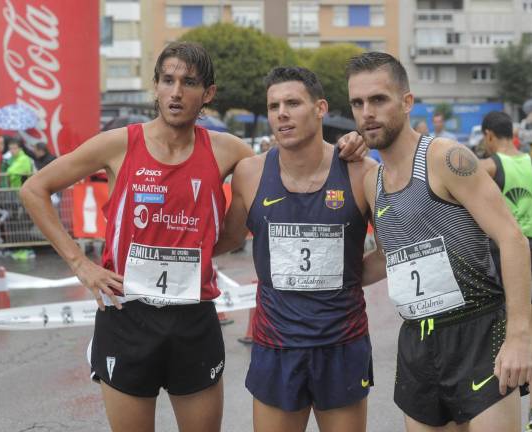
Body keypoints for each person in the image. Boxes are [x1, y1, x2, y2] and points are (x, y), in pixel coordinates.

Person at [21, 42, 365, 432]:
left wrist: (347, 146)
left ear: (208, 94)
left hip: (194, 321)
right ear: (156, 87)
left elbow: (293, 158)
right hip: (126, 316)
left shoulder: (226, 150)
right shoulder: (119, 143)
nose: (176, 91)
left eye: (189, 82)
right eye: (167, 80)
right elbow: (34, 190)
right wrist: (80, 264)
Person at [344, 52, 532, 432]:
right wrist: (328, 280)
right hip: (418, 342)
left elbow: (512, 239)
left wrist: (519, 336)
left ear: (407, 101)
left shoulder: (446, 158)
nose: (367, 112)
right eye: (358, 103)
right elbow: (389, 257)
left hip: (479, 332)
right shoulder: (371, 181)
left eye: (378, 99)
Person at [214, 66, 377, 432]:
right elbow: (228, 239)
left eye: (292, 103)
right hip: (277, 345)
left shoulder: (360, 171)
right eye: (274, 106)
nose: (281, 113)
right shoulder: (250, 173)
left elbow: (388, 252)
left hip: (342, 342)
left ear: (320, 108)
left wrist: (345, 280)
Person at [479, 111, 532, 432]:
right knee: (531, 331)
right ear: (512, 133)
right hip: (531, 250)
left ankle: (496, 404)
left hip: (498, 252)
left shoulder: (488, 167)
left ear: (489, 136)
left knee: (494, 329)